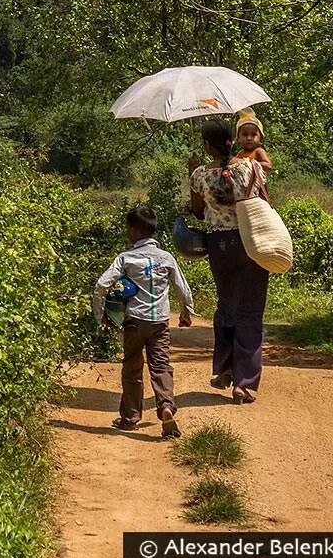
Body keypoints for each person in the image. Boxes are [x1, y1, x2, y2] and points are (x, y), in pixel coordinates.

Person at [92, 206, 195, 437]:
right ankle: (166, 406)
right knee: (160, 366)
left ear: (135, 232)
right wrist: (186, 312)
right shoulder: (166, 258)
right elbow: (182, 288)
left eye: (129, 229)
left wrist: (100, 315)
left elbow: (101, 285)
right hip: (159, 321)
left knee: (132, 368)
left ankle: (130, 417)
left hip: (133, 322)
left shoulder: (125, 258)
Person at [188, 118, 270, 404]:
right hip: (250, 243)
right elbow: (263, 202)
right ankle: (244, 383)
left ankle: (224, 368)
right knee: (250, 309)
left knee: (227, 304)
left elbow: (198, 212)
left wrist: (191, 173)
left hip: (219, 246)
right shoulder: (251, 167)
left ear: (207, 146)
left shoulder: (199, 175)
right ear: (232, 140)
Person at [233, 109, 273, 175]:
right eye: (245, 135)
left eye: (254, 135)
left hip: (257, 184)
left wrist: (250, 164)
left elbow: (268, 166)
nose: (249, 138)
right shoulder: (240, 153)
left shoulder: (258, 151)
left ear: (260, 138)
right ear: (238, 138)